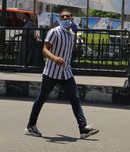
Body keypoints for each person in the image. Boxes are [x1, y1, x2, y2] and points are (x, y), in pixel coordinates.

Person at [24, 9, 99, 139]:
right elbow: (45, 49)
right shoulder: (54, 32)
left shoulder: (71, 34)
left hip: (66, 72)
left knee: (75, 99)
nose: (65, 18)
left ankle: (83, 128)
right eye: (62, 17)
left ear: (72, 18)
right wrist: (54, 58)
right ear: (60, 19)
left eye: (67, 16)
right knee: (42, 98)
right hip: (51, 72)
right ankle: (31, 126)